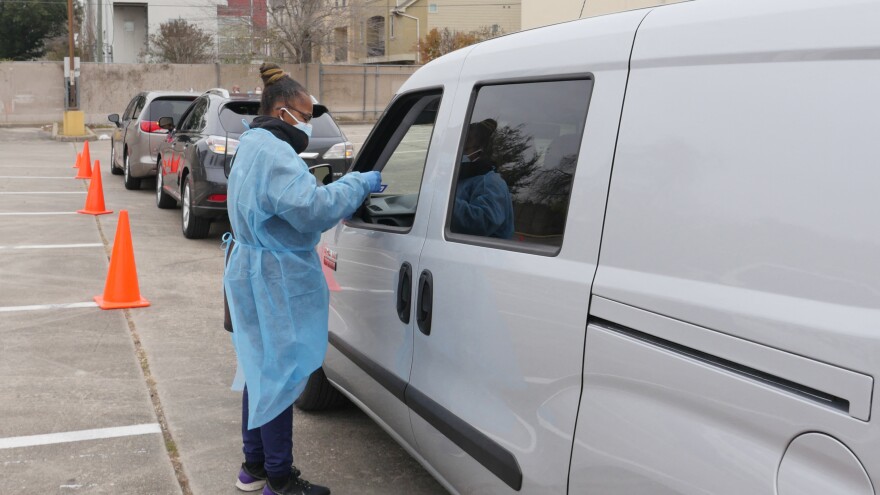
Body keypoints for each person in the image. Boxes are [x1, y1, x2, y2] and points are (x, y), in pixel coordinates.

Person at [224, 62, 382, 495]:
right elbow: (311, 208)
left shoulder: (252, 143)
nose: (309, 125)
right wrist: (358, 185)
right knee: (279, 374)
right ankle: (279, 479)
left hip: (251, 268)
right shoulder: (275, 153)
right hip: (275, 276)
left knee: (260, 369)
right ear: (283, 113)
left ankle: (253, 468)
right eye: (306, 116)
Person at [450, 118, 515, 239]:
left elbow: (483, 223)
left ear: (481, 150)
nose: (458, 153)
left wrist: (443, 202)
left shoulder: (490, 182)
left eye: (465, 148)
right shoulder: (463, 177)